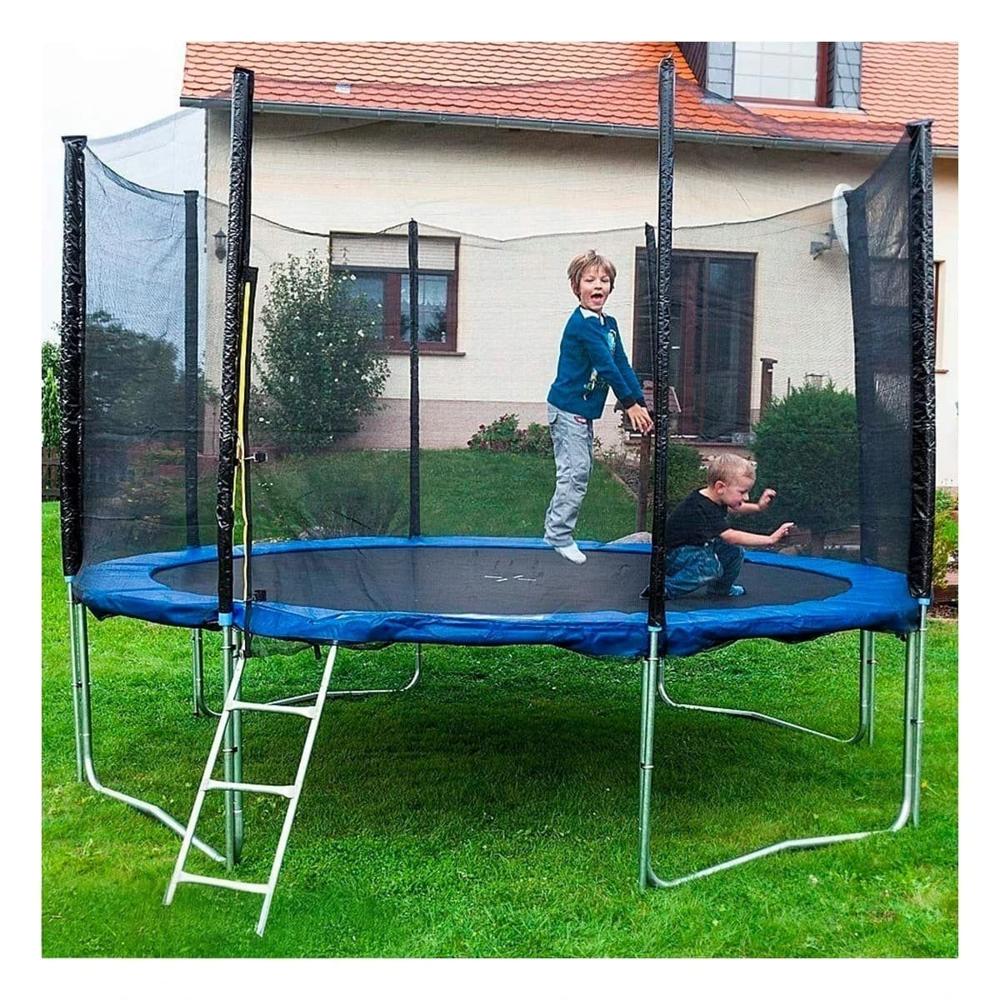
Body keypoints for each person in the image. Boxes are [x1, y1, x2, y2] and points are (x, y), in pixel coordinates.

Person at [543, 250, 653, 564]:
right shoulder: (581, 325)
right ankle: (558, 534)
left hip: (582, 412)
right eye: (590, 280)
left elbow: (621, 364)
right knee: (575, 472)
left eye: (604, 280)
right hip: (567, 408)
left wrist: (639, 402)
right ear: (576, 287)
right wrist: (628, 404)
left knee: (578, 470)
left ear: (610, 288)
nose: (598, 285)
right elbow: (605, 365)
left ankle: (555, 530)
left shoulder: (609, 324)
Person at [660, 454, 794, 599]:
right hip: (673, 556)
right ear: (720, 487)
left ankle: (720, 589)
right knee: (710, 567)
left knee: (734, 552)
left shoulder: (715, 497)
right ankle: (664, 590)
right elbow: (730, 536)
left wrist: (758, 507)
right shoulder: (700, 506)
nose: (746, 497)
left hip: (696, 547)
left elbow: (736, 507)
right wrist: (770, 539)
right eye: (742, 492)